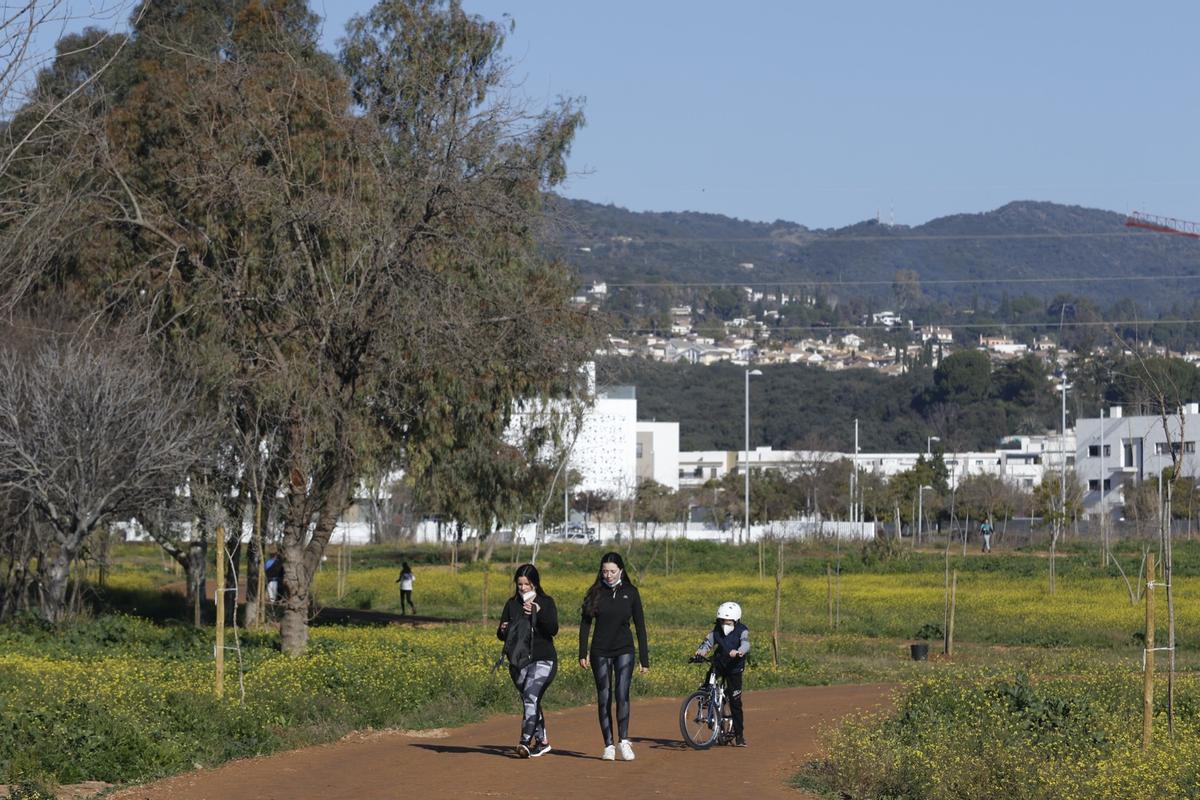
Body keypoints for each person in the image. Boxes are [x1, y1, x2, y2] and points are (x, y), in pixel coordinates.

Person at [578, 552, 649, 761]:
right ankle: (608, 744)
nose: (608, 575)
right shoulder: (595, 593)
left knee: (622, 693)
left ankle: (624, 741)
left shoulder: (631, 592)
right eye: (605, 571)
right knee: (604, 696)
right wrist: (583, 652)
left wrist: (645, 659)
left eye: (612, 571)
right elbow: (585, 624)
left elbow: (641, 627)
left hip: (624, 649)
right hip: (600, 650)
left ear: (621, 571)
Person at [496, 563, 559, 758]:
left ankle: (524, 742)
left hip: (543, 659)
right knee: (530, 699)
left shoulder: (546, 602)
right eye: (520, 584)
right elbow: (501, 634)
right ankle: (543, 741)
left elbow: (553, 630)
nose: (523, 588)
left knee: (531, 697)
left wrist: (538, 612)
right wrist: (503, 629)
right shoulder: (511, 604)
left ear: (535, 584)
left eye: (527, 584)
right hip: (518, 661)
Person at [693, 601, 750, 747]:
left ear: (736, 621)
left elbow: (745, 643)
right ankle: (706, 697)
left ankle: (739, 735)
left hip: (734, 668)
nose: (725, 624)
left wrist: (739, 652)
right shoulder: (716, 631)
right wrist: (700, 652)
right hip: (719, 663)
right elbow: (707, 643)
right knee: (709, 677)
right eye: (723, 621)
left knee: (735, 701)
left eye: (729, 622)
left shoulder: (742, 630)